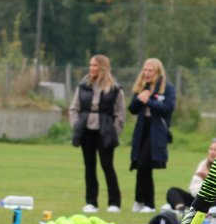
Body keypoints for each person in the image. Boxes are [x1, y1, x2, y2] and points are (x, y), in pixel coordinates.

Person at [68, 55, 124, 214]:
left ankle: (114, 203)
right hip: (86, 130)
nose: (91, 68)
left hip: (105, 131)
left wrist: (115, 130)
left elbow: (120, 113)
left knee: (107, 166)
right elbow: (74, 108)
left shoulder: (115, 89)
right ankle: (91, 202)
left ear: (103, 68)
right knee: (89, 167)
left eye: (94, 65)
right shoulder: (82, 86)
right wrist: (76, 125)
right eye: (90, 65)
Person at [129, 58, 175, 213]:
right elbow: (133, 109)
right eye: (145, 70)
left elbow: (168, 108)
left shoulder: (167, 88)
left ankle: (143, 202)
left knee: (144, 165)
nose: (146, 73)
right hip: (142, 129)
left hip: (157, 132)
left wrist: (148, 101)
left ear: (158, 72)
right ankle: (145, 203)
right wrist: (139, 99)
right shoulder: (142, 87)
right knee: (143, 166)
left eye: (150, 70)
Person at [166, 139, 216, 211]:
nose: (212, 152)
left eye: (215, 150)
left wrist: (207, 178)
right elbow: (194, 187)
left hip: (211, 200)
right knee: (173, 191)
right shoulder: (203, 164)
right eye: (211, 149)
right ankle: (181, 210)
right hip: (197, 199)